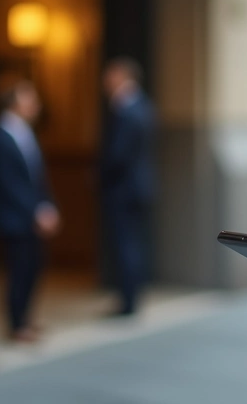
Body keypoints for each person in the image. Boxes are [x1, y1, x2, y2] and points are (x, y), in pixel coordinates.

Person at [0, 80, 60, 343]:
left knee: (33, 267)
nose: (35, 105)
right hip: (15, 217)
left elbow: (37, 177)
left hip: (33, 215)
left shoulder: (27, 133)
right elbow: (10, 183)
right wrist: (35, 212)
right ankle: (16, 323)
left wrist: (48, 206)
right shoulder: (0, 136)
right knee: (18, 270)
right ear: (14, 103)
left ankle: (26, 318)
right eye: (29, 100)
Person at [99, 58, 156, 316]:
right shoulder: (144, 106)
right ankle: (131, 296)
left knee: (126, 245)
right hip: (139, 186)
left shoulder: (126, 109)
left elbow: (118, 154)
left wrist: (100, 174)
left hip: (124, 189)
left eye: (110, 76)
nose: (105, 82)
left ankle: (128, 301)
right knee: (133, 244)